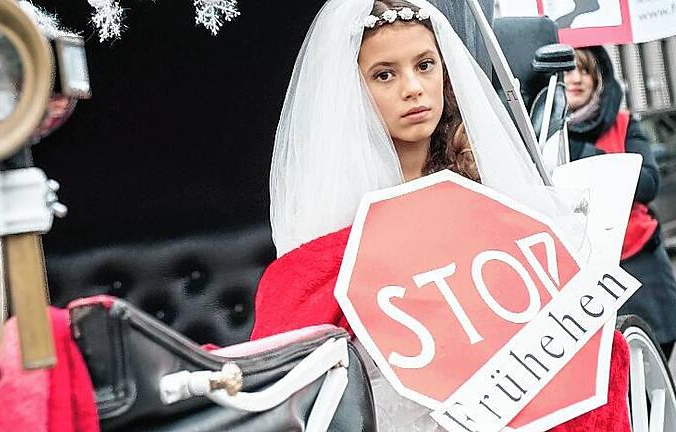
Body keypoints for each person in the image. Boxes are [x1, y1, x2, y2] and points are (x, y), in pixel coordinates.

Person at [251, 0, 606, 429]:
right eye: (385, 74)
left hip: (509, 388)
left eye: (425, 65)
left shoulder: (486, 184)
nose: (413, 88)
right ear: (351, 90)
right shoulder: (331, 208)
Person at [565, 46, 676, 357]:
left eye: (585, 70)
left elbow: (647, 183)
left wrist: (587, 156)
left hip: (639, 260)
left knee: (656, 353)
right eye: (568, 70)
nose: (575, 78)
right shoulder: (544, 132)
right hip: (585, 273)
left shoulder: (624, 124)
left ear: (599, 78)